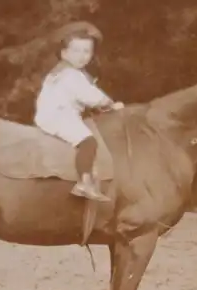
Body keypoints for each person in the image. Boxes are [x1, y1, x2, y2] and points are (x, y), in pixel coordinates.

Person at [34, 21, 124, 202]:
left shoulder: (60, 71)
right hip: (59, 116)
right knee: (88, 141)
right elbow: (90, 96)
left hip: (55, 115)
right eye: (76, 51)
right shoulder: (71, 74)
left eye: (87, 51)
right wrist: (110, 104)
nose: (82, 56)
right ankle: (84, 182)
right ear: (64, 53)